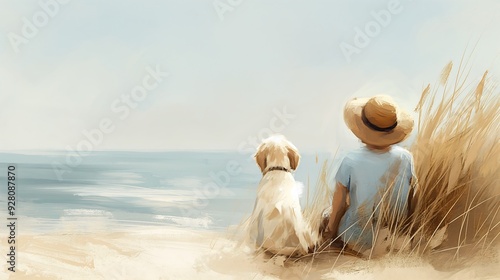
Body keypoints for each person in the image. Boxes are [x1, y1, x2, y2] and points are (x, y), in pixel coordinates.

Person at [322, 95, 417, 253]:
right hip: (396, 239)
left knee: (326, 214)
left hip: (358, 241)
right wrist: (409, 229)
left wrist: (330, 232)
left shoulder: (350, 160)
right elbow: (413, 194)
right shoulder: (406, 158)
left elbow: (339, 203)